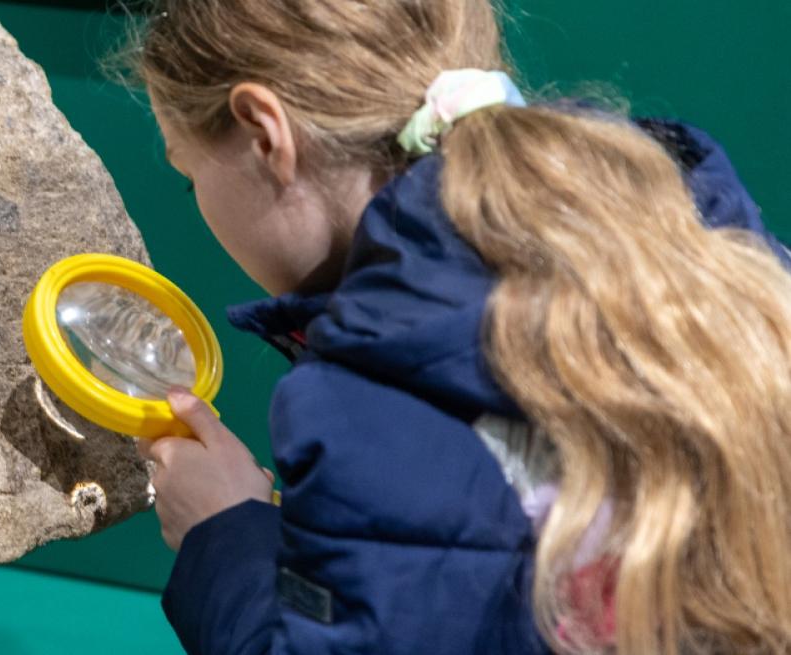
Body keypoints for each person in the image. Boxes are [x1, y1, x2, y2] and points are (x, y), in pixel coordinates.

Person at [127, 1, 791, 653]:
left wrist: (224, 533)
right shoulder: (697, 225)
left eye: (190, 177)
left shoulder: (377, 403)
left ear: (265, 132)